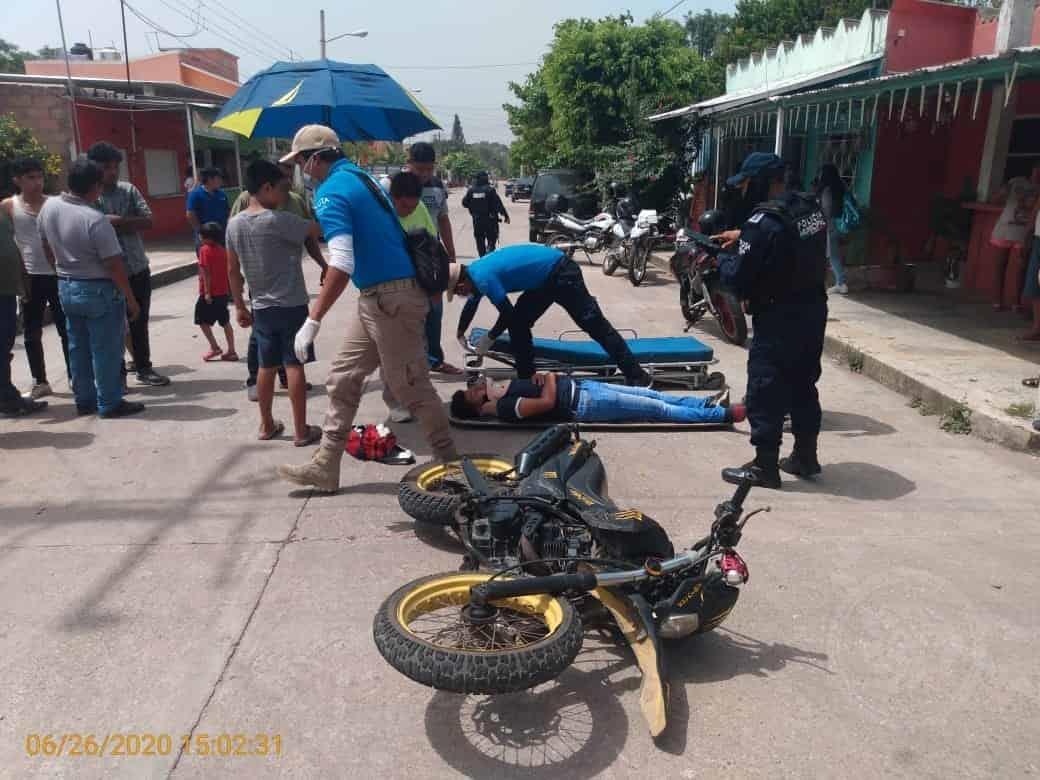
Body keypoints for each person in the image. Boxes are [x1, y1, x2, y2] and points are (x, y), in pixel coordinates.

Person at [276, 125, 458, 492]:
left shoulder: (331, 191)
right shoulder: (362, 177)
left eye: (299, 161)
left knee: (412, 387)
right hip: (379, 297)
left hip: (390, 299)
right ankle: (326, 465)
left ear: (315, 158)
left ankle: (452, 465)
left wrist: (313, 319)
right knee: (343, 377)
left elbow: (341, 261)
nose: (300, 169)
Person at [710, 153, 828, 489]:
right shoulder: (809, 209)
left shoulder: (763, 221)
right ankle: (806, 456)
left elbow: (737, 279)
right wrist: (744, 236)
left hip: (778, 316)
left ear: (761, 183)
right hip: (813, 309)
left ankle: (765, 466)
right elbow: (788, 241)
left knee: (766, 386)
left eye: (749, 184)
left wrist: (724, 256)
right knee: (803, 384)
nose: (746, 191)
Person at [450, 243, 652, 386]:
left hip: (562, 273)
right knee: (519, 324)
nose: (461, 295)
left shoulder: (483, 278)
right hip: (543, 280)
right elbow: (471, 305)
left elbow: (507, 314)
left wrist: (491, 336)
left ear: (461, 283)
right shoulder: (474, 272)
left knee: (595, 326)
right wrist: (460, 332)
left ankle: (637, 376)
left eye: (458, 292)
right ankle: (527, 379)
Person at [38, 160, 144, 418]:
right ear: (96, 187)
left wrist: (59, 269)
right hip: (98, 289)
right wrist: (131, 298)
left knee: (78, 347)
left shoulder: (49, 206)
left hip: (67, 285)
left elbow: (44, 243)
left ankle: (84, 400)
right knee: (105, 349)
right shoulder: (95, 219)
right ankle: (110, 402)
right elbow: (114, 265)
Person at [227, 160, 321, 447]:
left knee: (265, 366)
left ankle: (267, 425)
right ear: (266, 187)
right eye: (281, 188)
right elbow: (317, 230)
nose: (284, 195)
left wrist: (240, 306)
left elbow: (232, 270)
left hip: (261, 306)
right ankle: (301, 430)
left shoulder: (234, 224)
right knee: (294, 365)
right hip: (291, 304)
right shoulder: (280, 220)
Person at [88, 142, 171, 387]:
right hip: (107, 273)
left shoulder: (128, 190)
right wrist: (111, 223)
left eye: (115, 167)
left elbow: (148, 221)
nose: (112, 172)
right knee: (112, 326)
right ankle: (117, 375)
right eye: (106, 167)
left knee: (139, 321)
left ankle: (144, 368)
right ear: (94, 168)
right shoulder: (89, 197)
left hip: (136, 267)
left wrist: (115, 222)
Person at [2, 157, 69, 399]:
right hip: (30, 276)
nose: (37, 182)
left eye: (39, 177)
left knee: (66, 328)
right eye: (30, 178)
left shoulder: (55, 203)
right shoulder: (9, 206)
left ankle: (75, 376)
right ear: (17, 180)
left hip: (59, 273)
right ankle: (40, 381)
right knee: (31, 332)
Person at [451, 371, 742, 425]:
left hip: (586, 389)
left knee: (653, 394)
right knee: (657, 408)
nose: (478, 387)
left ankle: (706, 404)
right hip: (586, 404)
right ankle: (723, 415)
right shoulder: (505, 408)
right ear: (478, 407)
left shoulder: (501, 396)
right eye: (473, 393)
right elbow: (547, 403)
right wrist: (550, 376)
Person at [406, 142, 461, 375]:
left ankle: (434, 360)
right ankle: (409, 362)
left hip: (432, 256)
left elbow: (444, 220)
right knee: (410, 312)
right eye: (420, 169)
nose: (424, 174)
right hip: (406, 256)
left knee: (435, 310)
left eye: (429, 169)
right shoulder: (396, 185)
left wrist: (450, 253)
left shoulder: (438, 187)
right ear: (409, 165)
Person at [1, 198, 48, 417]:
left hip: (8, 290)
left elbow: (12, 245)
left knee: (5, 344)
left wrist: (23, 276)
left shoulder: (1, 213)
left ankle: (7, 398)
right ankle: (8, 399)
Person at [990, 166, 1040, 311]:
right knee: (1000, 265)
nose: (1038, 172)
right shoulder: (1016, 181)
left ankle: (1016, 303)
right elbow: (996, 199)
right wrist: (1003, 192)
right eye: (1037, 168)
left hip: (1024, 232)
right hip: (1005, 228)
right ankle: (996, 301)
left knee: (1021, 269)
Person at [195, 221, 237, 362]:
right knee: (225, 321)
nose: (200, 236)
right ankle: (231, 350)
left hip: (210, 294)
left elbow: (206, 272)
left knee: (201, 320)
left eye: (202, 235)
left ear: (208, 238)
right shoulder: (222, 250)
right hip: (223, 292)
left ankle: (214, 347)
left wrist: (207, 292)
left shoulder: (204, 250)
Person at [817, 163, 848, 295]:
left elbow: (826, 209)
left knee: (832, 256)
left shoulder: (827, 190)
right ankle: (839, 282)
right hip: (840, 223)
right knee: (834, 255)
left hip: (830, 225)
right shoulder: (840, 187)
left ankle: (841, 283)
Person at [462, 171, 510, 256]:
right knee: (491, 242)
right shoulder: (490, 190)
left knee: (480, 242)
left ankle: (483, 258)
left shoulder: (471, 190)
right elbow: (498, 204)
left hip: (477, 221)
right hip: (490, 221)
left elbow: (464, 203)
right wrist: (505, 215)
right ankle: (489, 254)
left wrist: (473, 207)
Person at [185, 167, 230, 253]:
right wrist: (200, 231)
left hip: (222, 236)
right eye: (218, 178)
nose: (221, 181)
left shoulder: (222, 194)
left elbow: (227, 211)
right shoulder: (195, 194)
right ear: (210, 179)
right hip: (206, 238)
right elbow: (190, 214)